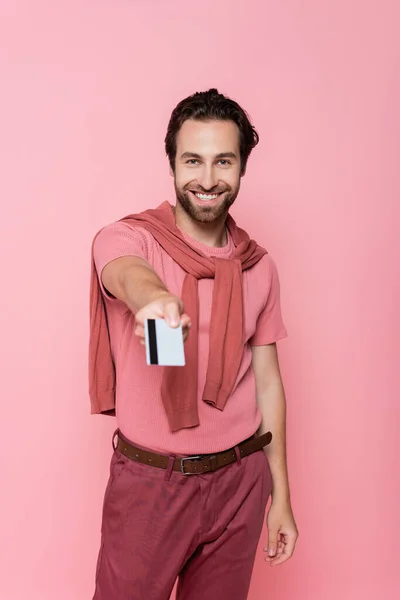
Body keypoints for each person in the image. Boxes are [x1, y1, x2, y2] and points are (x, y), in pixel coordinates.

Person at [89, 88, 298, 600]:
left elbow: (268, 383)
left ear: (242, 169)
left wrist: (281, 497)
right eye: (193, 161)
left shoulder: (258, 266)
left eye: (223, 161)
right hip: (152, 486)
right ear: (173, 165)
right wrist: (155, 300)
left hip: (240, 482)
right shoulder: (129, 238)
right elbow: (126, 274)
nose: (207, 180)